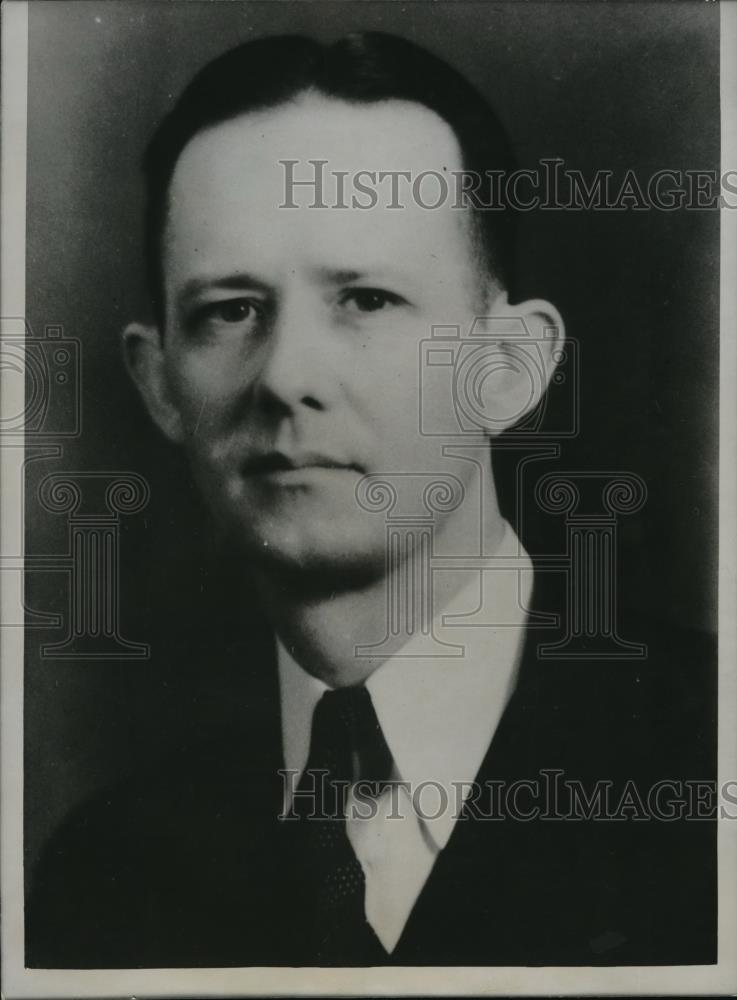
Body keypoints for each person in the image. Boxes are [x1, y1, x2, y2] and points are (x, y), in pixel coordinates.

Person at [26, 32, 716, 969]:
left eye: (366, 300)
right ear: (158, 386)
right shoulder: (104, 872)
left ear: (508, 369)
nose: (285, 377)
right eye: (229, 310)